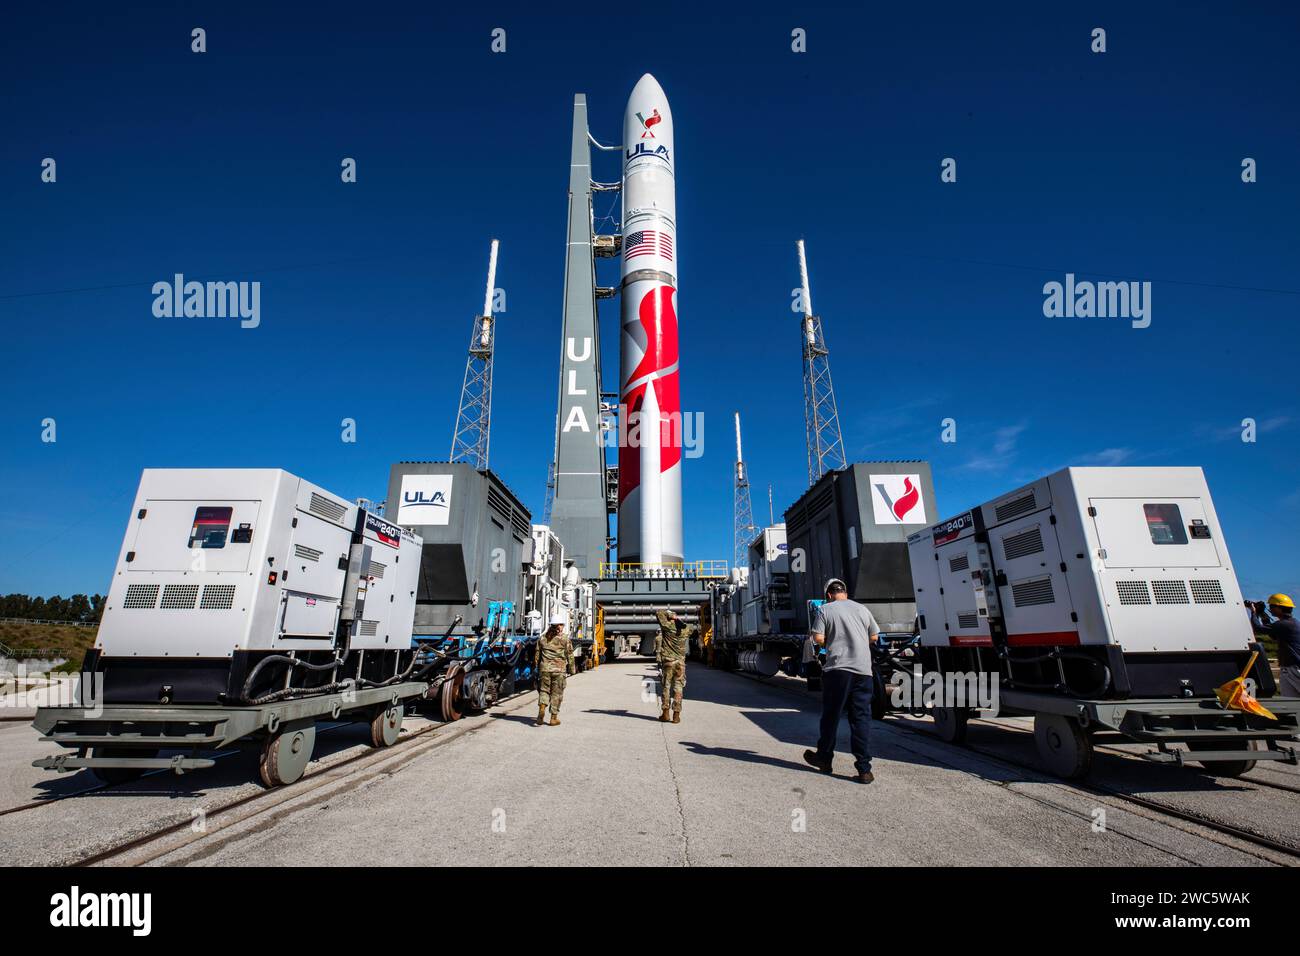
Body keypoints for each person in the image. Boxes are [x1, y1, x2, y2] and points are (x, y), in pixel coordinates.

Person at [803, 578, 879, 784]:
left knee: (831, 716)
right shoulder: (862, 609)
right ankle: (864, 769)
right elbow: (874, 637)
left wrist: (833, 640)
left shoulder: (825, 610)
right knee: (861, 719)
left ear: (828, 595)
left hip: (838, 670)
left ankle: (824, 759)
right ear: (845, 591)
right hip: (864, 672)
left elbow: (818, 637)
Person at [1250, 594, 1300, 698]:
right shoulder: (1289, 623)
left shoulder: (1283, 624)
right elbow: (1272, 634)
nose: (1270, 609)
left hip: (1294, 668)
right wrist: (1262, 614)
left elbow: (1258, 627)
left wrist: (1253, 612)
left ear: (1279, 608)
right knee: (1290, 701)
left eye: (1272, 607)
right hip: (1287, 668)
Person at [535, 613, 576, 726]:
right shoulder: (564, 639)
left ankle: (541, 710)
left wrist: (537, 668)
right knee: (556, 694)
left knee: (544, 691)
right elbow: (570, 655)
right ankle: (553, 718)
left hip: (544, 669)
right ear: (559, 626)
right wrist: (572, 669)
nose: (563, 627)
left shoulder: (542, 638)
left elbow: (537, 655)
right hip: (559, 670)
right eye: (562, 624)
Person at [655, 609, 695, 723]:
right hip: (680, 663)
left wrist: (670, 615)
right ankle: (676, 715)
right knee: (679, 688)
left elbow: (658, 612)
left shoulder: (667, 627)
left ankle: (665, 714)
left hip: (668, 661)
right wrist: (678, 620)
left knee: (666, 687)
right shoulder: (686, 629)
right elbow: (691, 627)